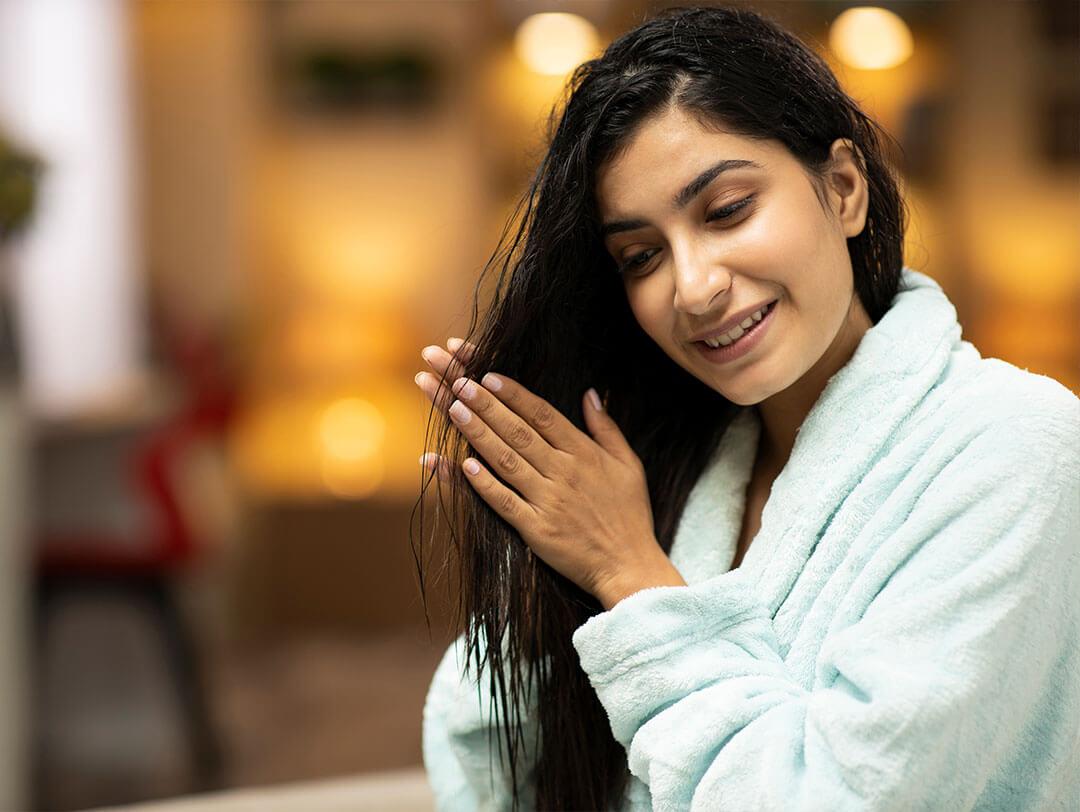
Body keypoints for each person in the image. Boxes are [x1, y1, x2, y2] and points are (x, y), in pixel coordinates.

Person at [411, 5, 1080, 811]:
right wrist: (548, 567)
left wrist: (629, 574)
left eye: (726, 210)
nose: (693, 288)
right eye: (641, 256)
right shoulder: (671, 462)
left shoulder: (1018, 445)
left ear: (843, 190)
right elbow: (493, 771)